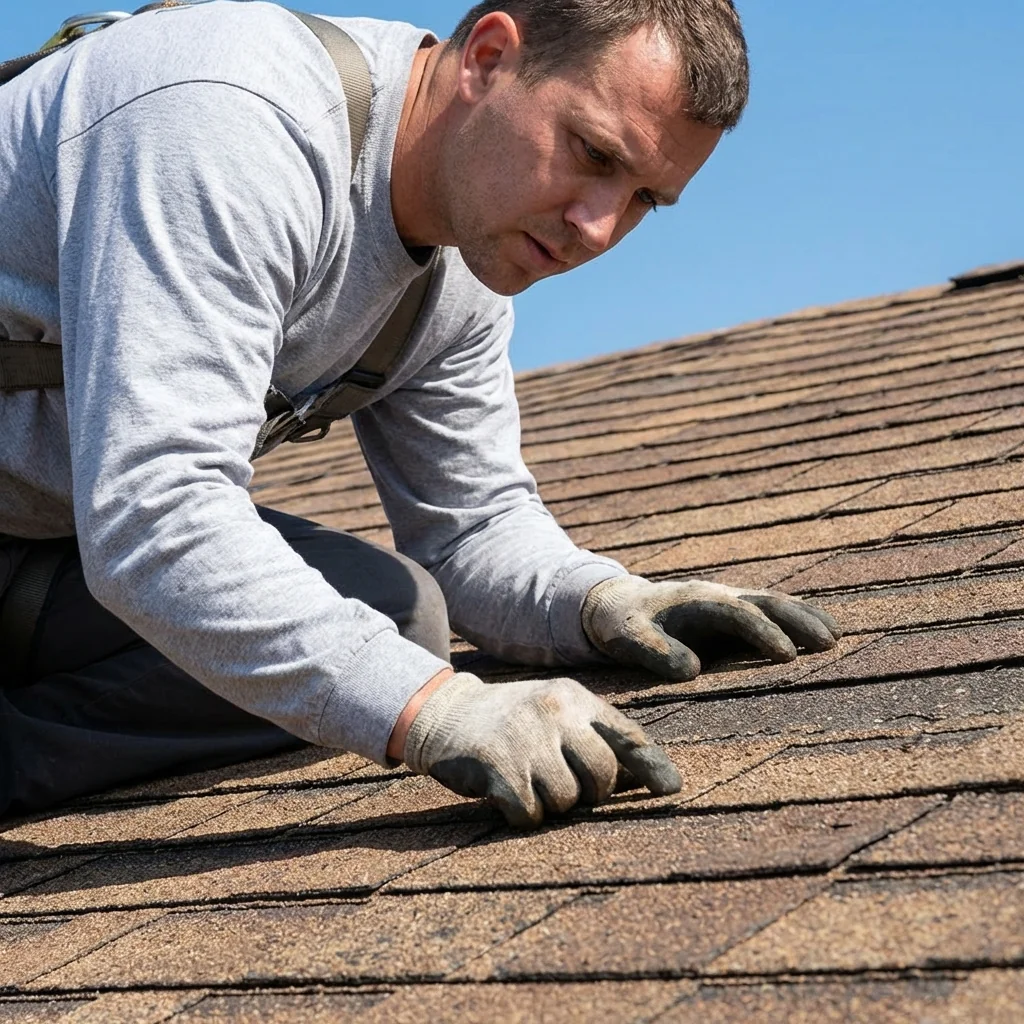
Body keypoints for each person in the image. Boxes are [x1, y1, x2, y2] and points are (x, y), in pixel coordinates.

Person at [0, 0, 840, 827]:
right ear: (488, 57)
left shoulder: (466, 265)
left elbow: (470, 530)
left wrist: (601, 602)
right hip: (87, 536)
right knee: (380, 670)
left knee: (392, 616)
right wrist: (434, 710)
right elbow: (158, 513)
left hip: (38, 549)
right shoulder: (230, 118)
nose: (596, 227)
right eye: (592, 153)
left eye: (644, 199)